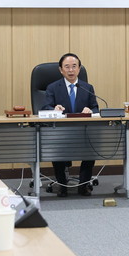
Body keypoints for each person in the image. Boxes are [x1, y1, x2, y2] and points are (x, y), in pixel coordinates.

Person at [41, 53, 100, 197]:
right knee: (57, 150)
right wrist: (54, 109)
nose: (71, 70)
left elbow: (96, 108)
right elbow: (45, 107)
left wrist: (90, 110)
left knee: (91, 149)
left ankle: (83, 185)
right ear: (61, 70)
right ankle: (62, 185)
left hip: (83, 132)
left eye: (74, 66)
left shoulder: (87, 87)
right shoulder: (52, 88)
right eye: (67, 67)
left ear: (79, 69)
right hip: (61, 132)